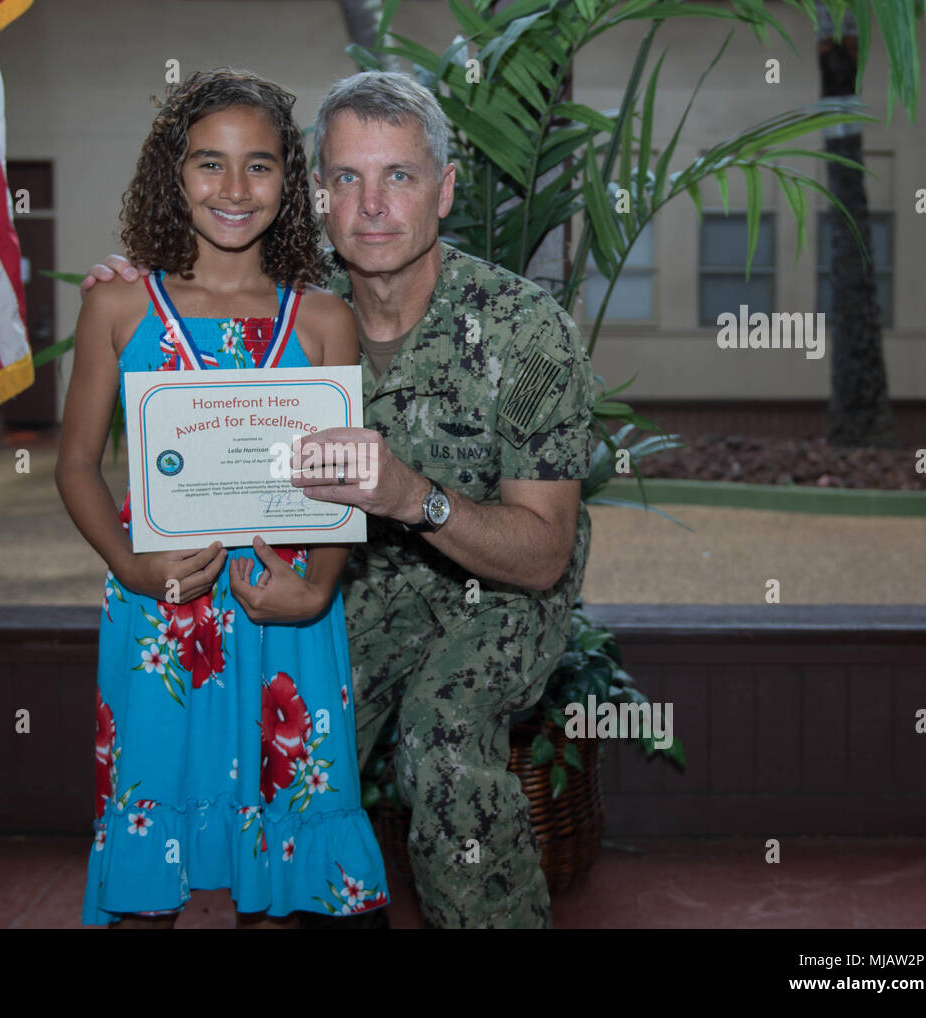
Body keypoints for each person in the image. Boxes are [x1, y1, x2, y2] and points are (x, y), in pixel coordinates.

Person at [80, 70, 594, 929]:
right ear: (314, 191)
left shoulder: (524, 327)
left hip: (496, 588)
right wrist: (139, 277)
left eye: (400, 176)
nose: (373, 206)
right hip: (351, 582)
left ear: (445, 190)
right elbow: (178, 317)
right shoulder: (283, 294)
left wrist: (413, 497)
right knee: (286, 753)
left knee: (443, 737)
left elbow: (542, 554)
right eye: (347, 178)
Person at [56, 68, 389, 929]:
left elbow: (350, 472)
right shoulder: (120, 306)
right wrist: (132, 566)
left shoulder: (323, 318)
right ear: (174, 175)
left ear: (292, 181)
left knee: (288, 879)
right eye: (210, 164)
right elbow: (76, 466)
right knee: (149, 843)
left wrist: (318, 585)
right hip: (160, 608)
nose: (234, 189)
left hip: (289, 610)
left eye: (261, 166)